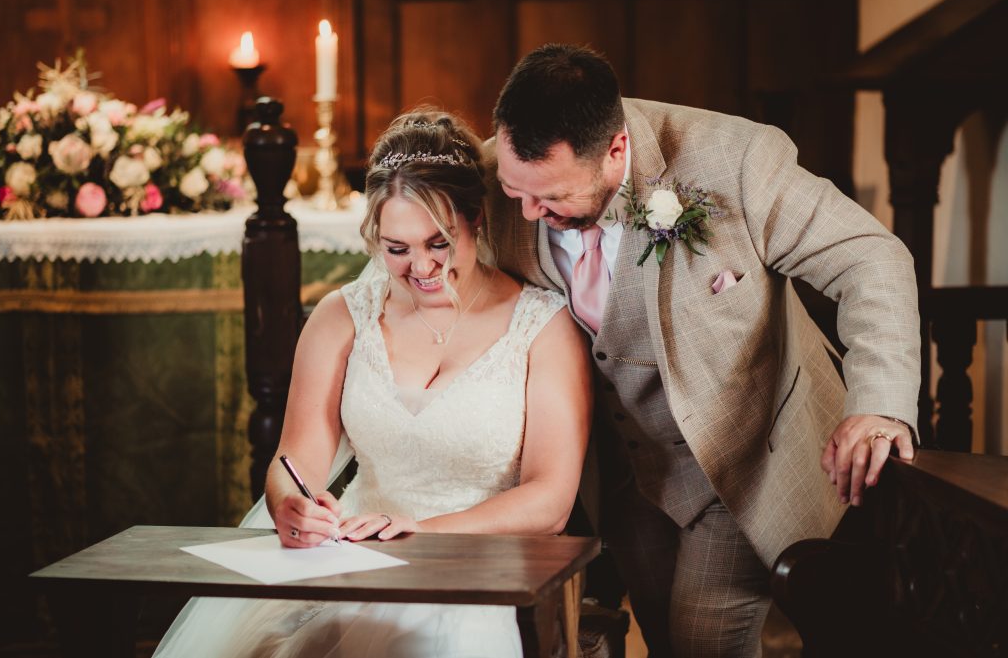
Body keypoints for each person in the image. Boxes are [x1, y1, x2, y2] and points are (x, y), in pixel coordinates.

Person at [484, 43, 921, 658]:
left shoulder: (735, 161)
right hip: (623, 476)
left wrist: (878, 404)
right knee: (664, 638)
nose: (527, 212)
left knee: (702, 644)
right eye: (513, 190)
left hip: (739, 465)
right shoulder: (498, 179)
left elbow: (871, 258)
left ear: (614, 151)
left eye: (551, 198)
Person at [154, 109, 591, 658]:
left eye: (439, 242)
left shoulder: (542, 327)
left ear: (475, 219)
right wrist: (292, 504)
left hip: (482, 568)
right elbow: (295, 459)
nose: (422, 268)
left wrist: (421, 531)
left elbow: (550, 500)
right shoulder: (342, 317)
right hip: (351, 563)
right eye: (397, 249)